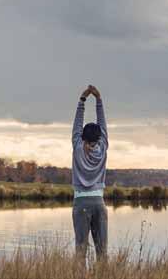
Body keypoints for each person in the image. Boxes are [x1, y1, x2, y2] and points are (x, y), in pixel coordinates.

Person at [71, 84, 108, 262]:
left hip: (81, 202)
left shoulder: (77, 145)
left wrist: (83, 99)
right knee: (102, 252)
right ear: (99, 137)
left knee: (80, 251)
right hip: (99, 203)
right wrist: (98, 99)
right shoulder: (103, 147)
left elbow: (77, 123)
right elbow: (103, 124)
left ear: (83, 136)